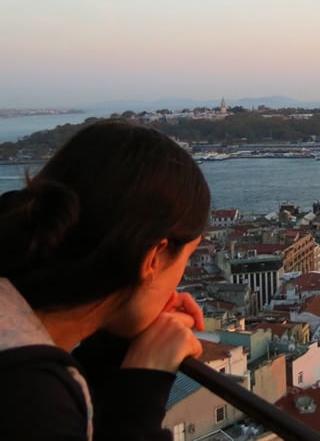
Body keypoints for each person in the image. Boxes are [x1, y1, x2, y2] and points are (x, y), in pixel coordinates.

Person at [0, 119, 211, 440]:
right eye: (187, 258)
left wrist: (111, 333)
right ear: (153, 259)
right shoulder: (29, 398)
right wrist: (143, 387)